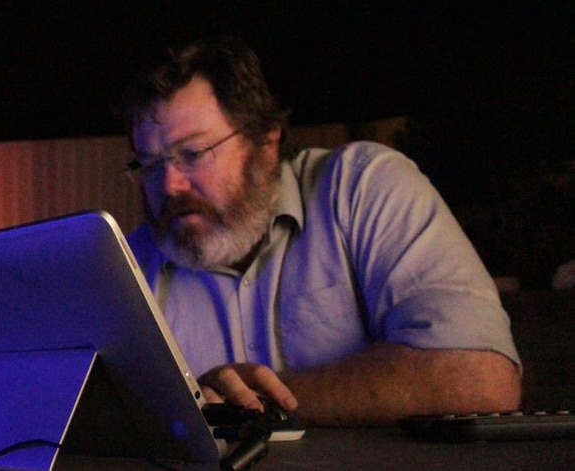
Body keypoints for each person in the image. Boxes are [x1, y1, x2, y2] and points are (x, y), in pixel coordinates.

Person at [119, 36, 522, 426]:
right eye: (151, 165)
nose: (170, 185)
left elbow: (480, 377)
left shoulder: (361, 188)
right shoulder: (129, 266)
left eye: (193, 153)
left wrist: (250, 405)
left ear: (266, 143)